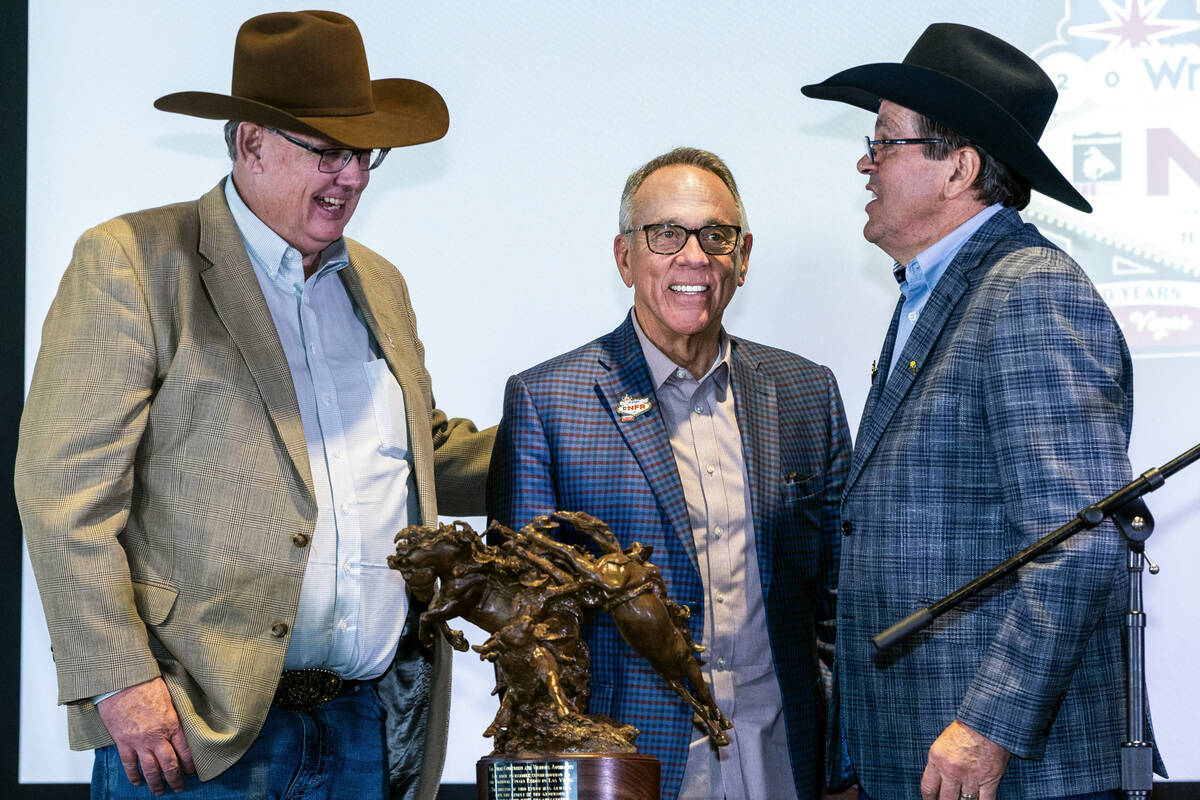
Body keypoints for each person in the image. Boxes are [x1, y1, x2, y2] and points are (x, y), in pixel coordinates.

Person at [15, 11, 493, 799]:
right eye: (329, 152)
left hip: (361, 727)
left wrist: (570, 433)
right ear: (251, 143)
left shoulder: (379, 283)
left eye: (366, 155)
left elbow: (419, 452)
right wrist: (118, 679)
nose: (354, 178)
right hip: (193, 733)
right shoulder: (134, 261)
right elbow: (63, 495)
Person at [801, 23, 1164, 800]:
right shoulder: (938, 292)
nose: (865, 162)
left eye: (884, 142)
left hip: (1010, 773)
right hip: (922, 760)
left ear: (959, 168)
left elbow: (1079, 542)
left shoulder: (1030, 292)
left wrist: (988, 726)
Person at [487, 147, 852, 800]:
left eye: (717, 236)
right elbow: (528, 628)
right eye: (665, 234)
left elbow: (837, 600)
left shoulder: (806, 392)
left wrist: (839, 751)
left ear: (743, 257)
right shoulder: (549, 402)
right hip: (630, 765)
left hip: (783, 758)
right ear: (625, 257)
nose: (694, 257)